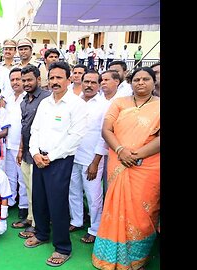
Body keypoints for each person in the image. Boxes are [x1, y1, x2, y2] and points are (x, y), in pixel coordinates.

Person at [92, 67, 160, 270]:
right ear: (130, 83)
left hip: (148, 166)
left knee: (141, 211)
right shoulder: (119, 103)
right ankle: (110, 257)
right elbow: (106, 129)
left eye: (145, 79)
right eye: (136, 79)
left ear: (153, 81)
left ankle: (137, 257)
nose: (140, 83)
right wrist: (121, 150)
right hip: (118, 161)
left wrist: (136, 155)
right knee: (116, 206)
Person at [25, 61, 87, 267]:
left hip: (59, 161)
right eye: (52, 78)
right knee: (39, 198)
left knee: (58, 203)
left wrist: (50, 157)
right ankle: (42, 233)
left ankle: (62, 247)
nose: (55, 82)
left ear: (69, 80)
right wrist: (34, 153)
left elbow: (75, 137)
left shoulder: (76, 105)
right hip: (39, 158)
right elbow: (35, 131)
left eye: (59, 77)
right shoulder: (45, 103)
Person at [68, 70, 106, 244]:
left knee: (93, 195)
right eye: (86, 82)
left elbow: (104, 135)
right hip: (71, 155)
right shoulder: (73, 102)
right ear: (81, 83)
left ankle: (95, 229)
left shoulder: (103, 105)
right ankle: (76, 220)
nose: (89, 85)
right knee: (73, 191)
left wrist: (96, 161)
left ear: (99, 85)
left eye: (93, 82)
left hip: (92, 158)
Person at [14, 64, 50, 237]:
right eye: (24, 80)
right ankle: (30, 218)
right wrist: (21, 149)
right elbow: (24, 127)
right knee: (28, 187)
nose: (26, 83)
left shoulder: (47, 98)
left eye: (29, 80)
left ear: (38, 79)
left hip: (41, 152)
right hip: (27, 151)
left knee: (38, 190)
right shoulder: (23, 101)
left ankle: (38, 224)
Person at [4, 68, 28, 222]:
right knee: (10, 175)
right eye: (12, 80)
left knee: (22, 178)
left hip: (21, 144)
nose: (15, 82)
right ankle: (11, 200)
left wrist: (22, 146)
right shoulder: (7, 98)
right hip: (7, 143)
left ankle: (24, 206)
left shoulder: (28, 98)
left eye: (18, 79)